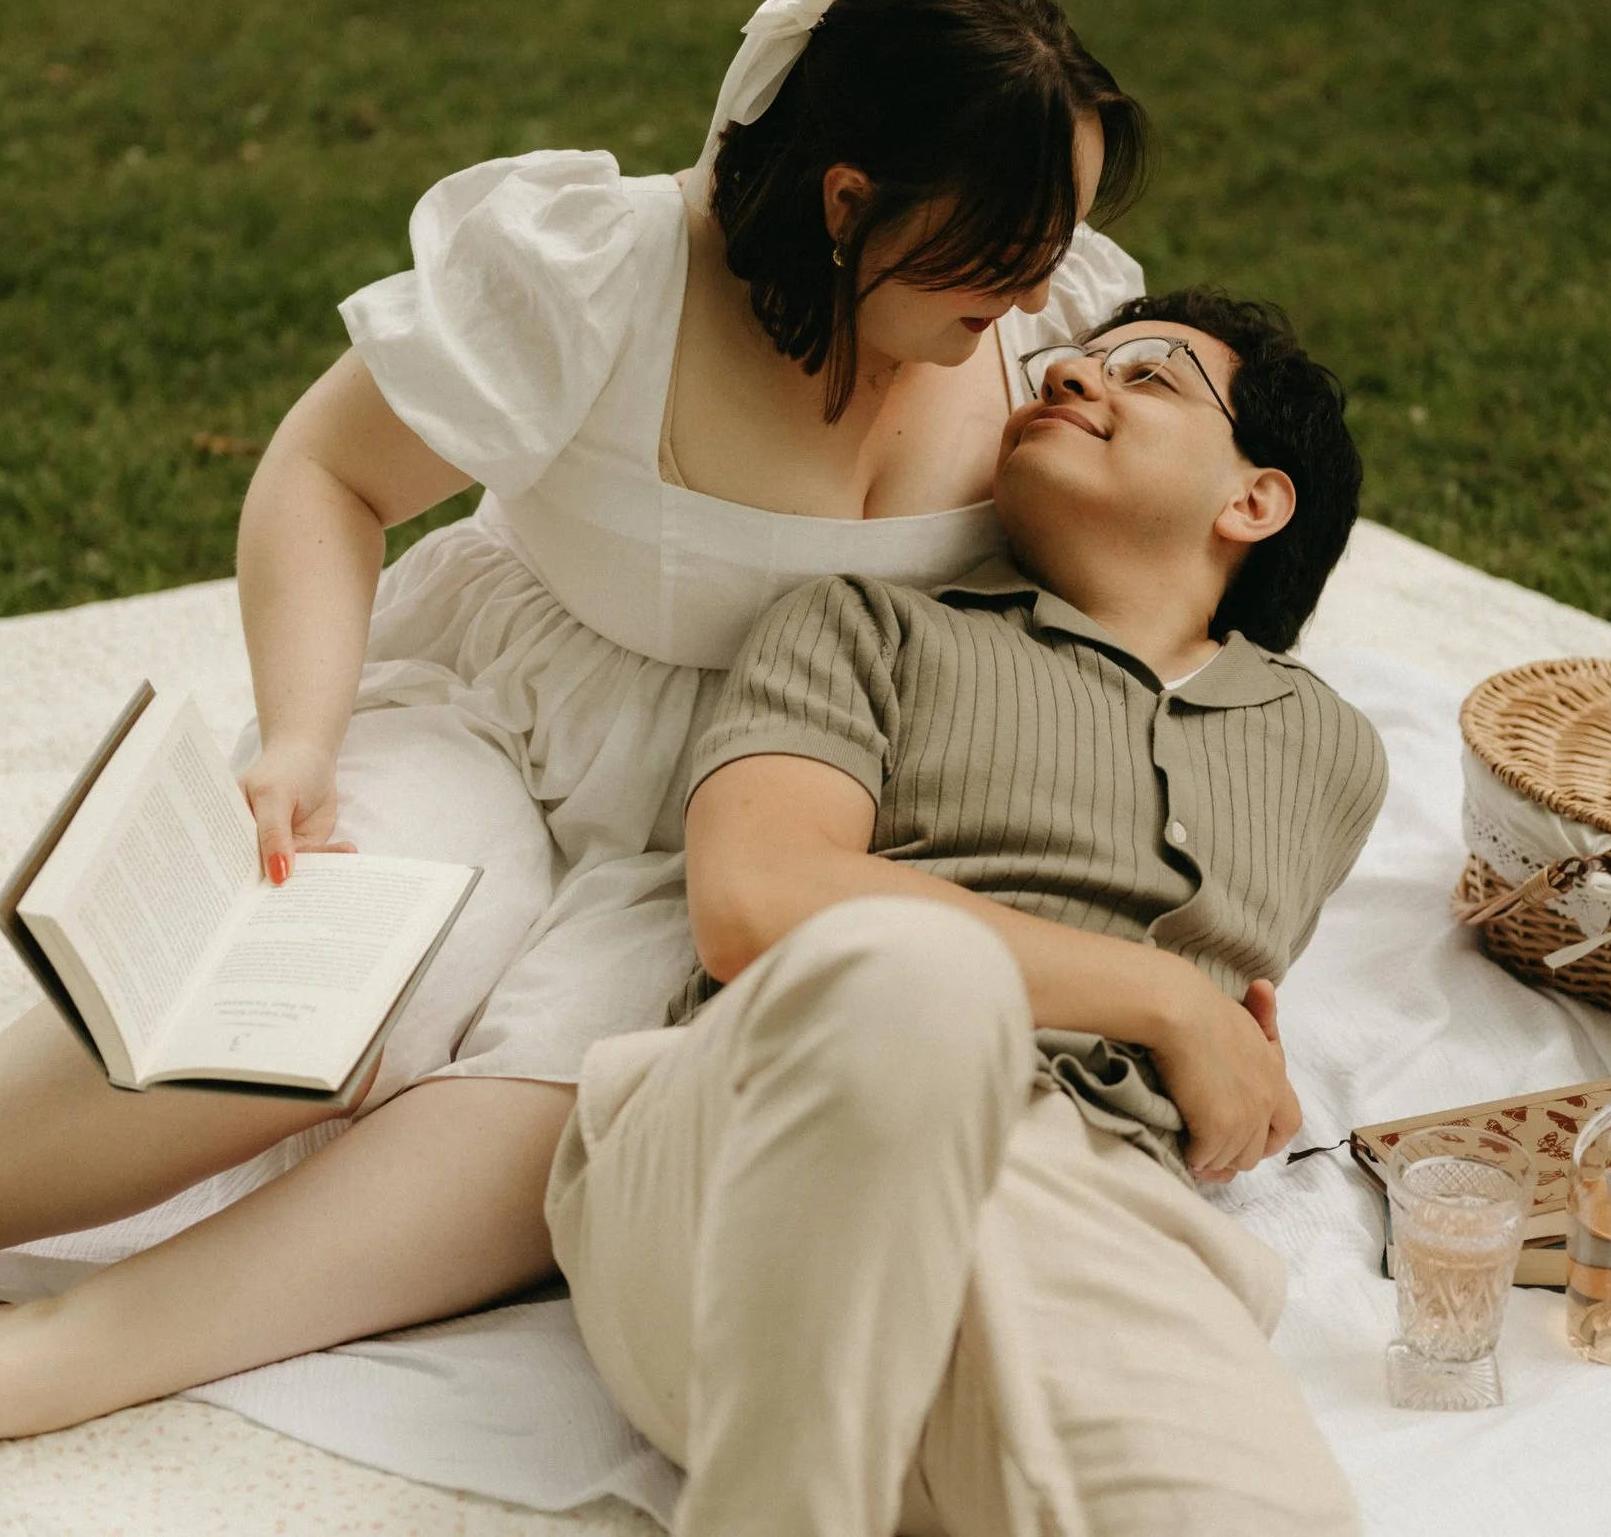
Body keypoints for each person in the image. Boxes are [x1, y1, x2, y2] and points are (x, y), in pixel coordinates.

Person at [0, 0, 1155, 1532]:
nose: (1041, 289)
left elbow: (1131, 609)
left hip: (751, 806)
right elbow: (326, 474)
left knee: (553, 1114)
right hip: (510, 700)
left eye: (1060, 238)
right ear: (845, 200)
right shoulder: (606, 273)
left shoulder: (1051, 334)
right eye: (1004, 247)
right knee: (311, 956)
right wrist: (301, 731)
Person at [546, 289, 1386, 1536]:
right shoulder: (863, 625)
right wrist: (1164, 1000)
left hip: (1091, 1214)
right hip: (761, 1146)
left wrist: (1225, 1049)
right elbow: (759, 900)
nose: (1066, 380)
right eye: (1061, 362)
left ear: (1254, 501)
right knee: (917, 978)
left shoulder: (1328, 751)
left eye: (1146, 376)